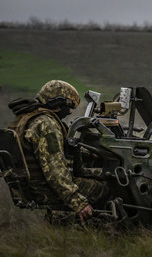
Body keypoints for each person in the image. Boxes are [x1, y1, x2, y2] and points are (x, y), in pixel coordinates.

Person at [7, 80, 108, 224]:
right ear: (57, 104)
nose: (69, 112)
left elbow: (55, 150)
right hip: (45, 189)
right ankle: (107, 228)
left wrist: (88, 153)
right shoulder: (46, 125)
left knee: (103, 175)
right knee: (108, 188)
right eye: (68, 107)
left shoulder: (28, 118)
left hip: (33, 186)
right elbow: (55, 171)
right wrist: (78, 202)